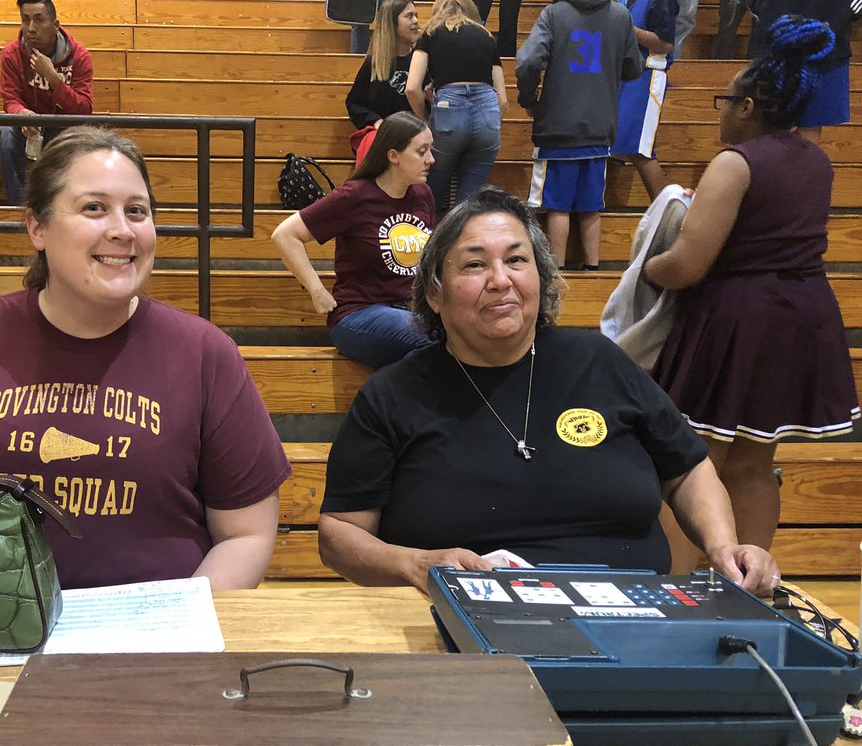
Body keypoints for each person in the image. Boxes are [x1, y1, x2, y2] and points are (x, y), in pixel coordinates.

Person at [0, 127, 289, 591]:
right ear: (37, 227)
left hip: (159, 626)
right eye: (94, 208)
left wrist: (178, 626)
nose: (122, 230)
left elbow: (246, 534)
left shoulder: (206, 353)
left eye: (137, 211)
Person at [319, 186, 779, 596]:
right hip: (461, 622)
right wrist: (415, 565)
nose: (500, 280)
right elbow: (340, 532)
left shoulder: (600, 362)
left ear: (539, 277)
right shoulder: (392, 395)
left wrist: (724, 545)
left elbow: (687, 470)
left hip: (629, 614)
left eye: (517, 260)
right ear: (434, 294)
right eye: (475, 264)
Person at [645, 16, 859, 569]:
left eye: (724, 100)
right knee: (755, 464)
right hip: (803, 315)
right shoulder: (816, 158)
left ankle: (678, 589)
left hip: (739, 318)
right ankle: (748, 585)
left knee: (692, 463)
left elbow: (687, 266)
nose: (718, 110)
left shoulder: (734, 162)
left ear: (746, 106)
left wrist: (648, 268)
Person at [271, 112, 436, 369]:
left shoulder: (423, 194)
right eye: (422, 151)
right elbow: (284, 234)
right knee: (428, 335)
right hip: (359, 314)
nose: (431, 159)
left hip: (411, 310)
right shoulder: (354, 196)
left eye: (431, 150)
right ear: (393, 156)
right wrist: (317, 291)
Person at [516, 0, 641, 269]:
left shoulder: (553, 14)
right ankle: (593, 270)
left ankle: (557, 272)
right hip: (600, 125)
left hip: (558, 126)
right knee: (591, 206)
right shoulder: (621, 15)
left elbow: (527, 62)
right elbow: (633, 67)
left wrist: (528, 99)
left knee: (558, 206)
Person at [406, 0, 507, 213]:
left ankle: (427, 229)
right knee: (470, 203)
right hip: (487, 111)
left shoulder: (431, 32)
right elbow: (503, 101)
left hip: (448, 108)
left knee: (433, 191)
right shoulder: (486, 36)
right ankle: (461, 232)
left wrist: (426, 119)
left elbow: (412, 87)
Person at [0, 0, 94, 207]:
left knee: (82, 136)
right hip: (29, 126)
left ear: (55, 25)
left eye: (39, 20)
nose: (31, 28)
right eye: (26, 20)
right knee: (7, 132)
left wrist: (53, 79)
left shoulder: (79, 56)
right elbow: (10, 99)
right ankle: (19, 207)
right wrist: (21, 113)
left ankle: (69, 207)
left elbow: (84, 110)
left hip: (64, 128)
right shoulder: (11, 54)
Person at [743, 0, 855, 142]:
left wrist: (845, 11)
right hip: (775, 38)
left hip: (826, 44)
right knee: (764, 125)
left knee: (809, 130)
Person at [610, 0, 681, 202]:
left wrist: (627, 29)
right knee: (616, 145)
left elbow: (666, 44)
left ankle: (667, 211)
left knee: (641, 149)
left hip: (648, 76)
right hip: (624, 77)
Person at [345, 0, 421, 165]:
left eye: (416, 15)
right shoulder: (374, 63)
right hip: (384, 139)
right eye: (409, 16)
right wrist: (376, 121)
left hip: (415, 137)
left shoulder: (422, 61)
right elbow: (354, 103)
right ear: (392, 24)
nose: (416, 21)